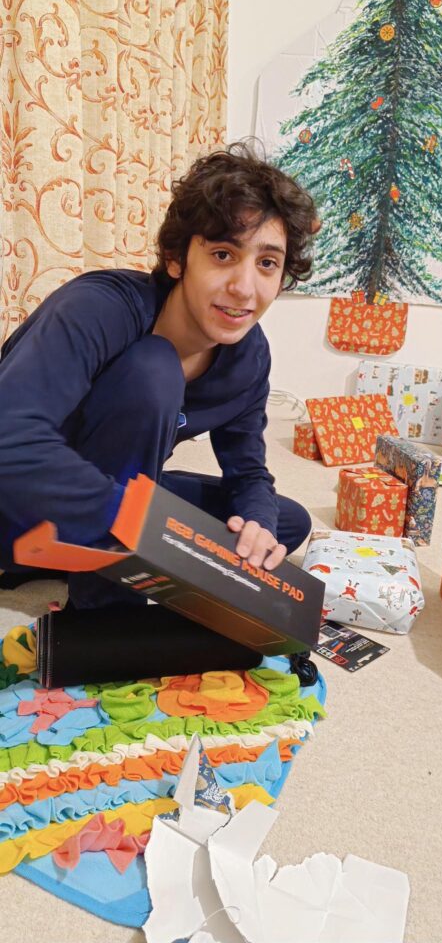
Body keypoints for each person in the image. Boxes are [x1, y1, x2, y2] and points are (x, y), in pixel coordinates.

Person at [0, 141, 319, 614]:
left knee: (282, 523)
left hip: (107, 497)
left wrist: (257, 523)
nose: (244, 288)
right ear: (176, 258)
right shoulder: (97, 307)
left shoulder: (249, 356)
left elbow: (248, 471)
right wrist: (134, 521)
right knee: (153, 367)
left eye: (267, 263)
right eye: (223, 255)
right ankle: (102, 609)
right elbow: (9, 438)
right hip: (20, 498)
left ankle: (76, 553)